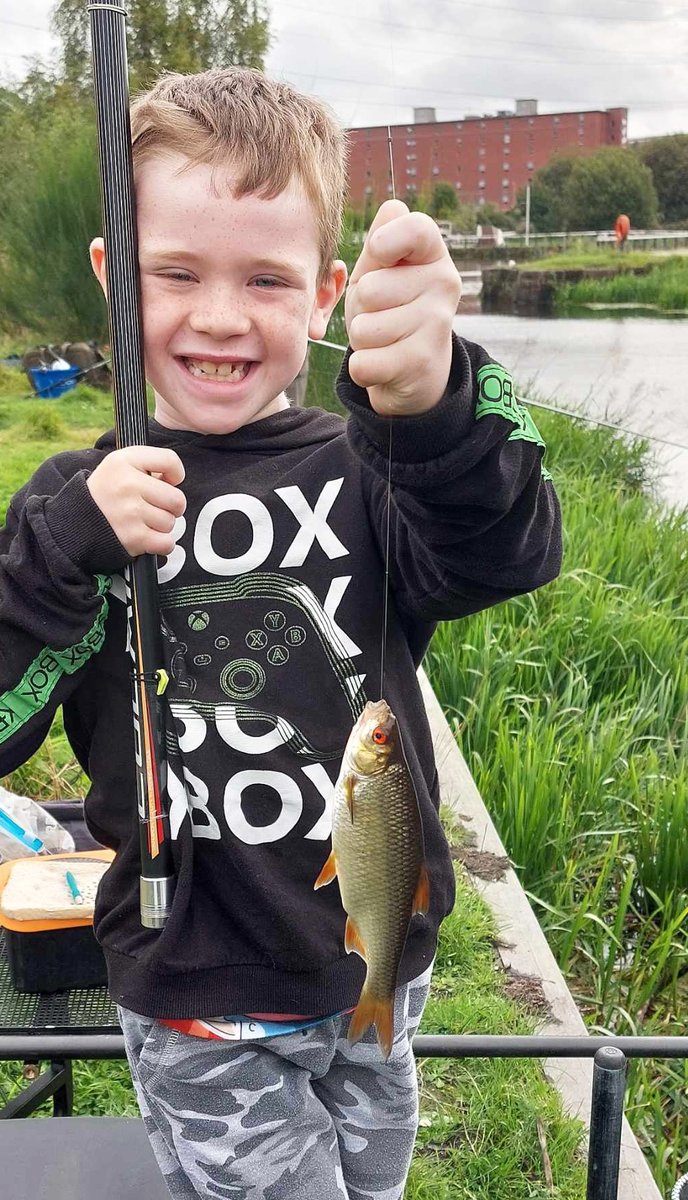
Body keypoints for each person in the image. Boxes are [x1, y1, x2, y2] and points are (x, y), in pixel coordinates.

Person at [0, 68, 561, 1199]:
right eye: (176, 274)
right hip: (195, 988)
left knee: (371, 1185)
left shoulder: (374, 465)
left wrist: (438, 400)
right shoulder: (76, 505)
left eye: (265, 278)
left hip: (375, 960)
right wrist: (66, 552)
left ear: (326, 295)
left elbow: (510, 550)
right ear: (114, 280)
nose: (218, 315)